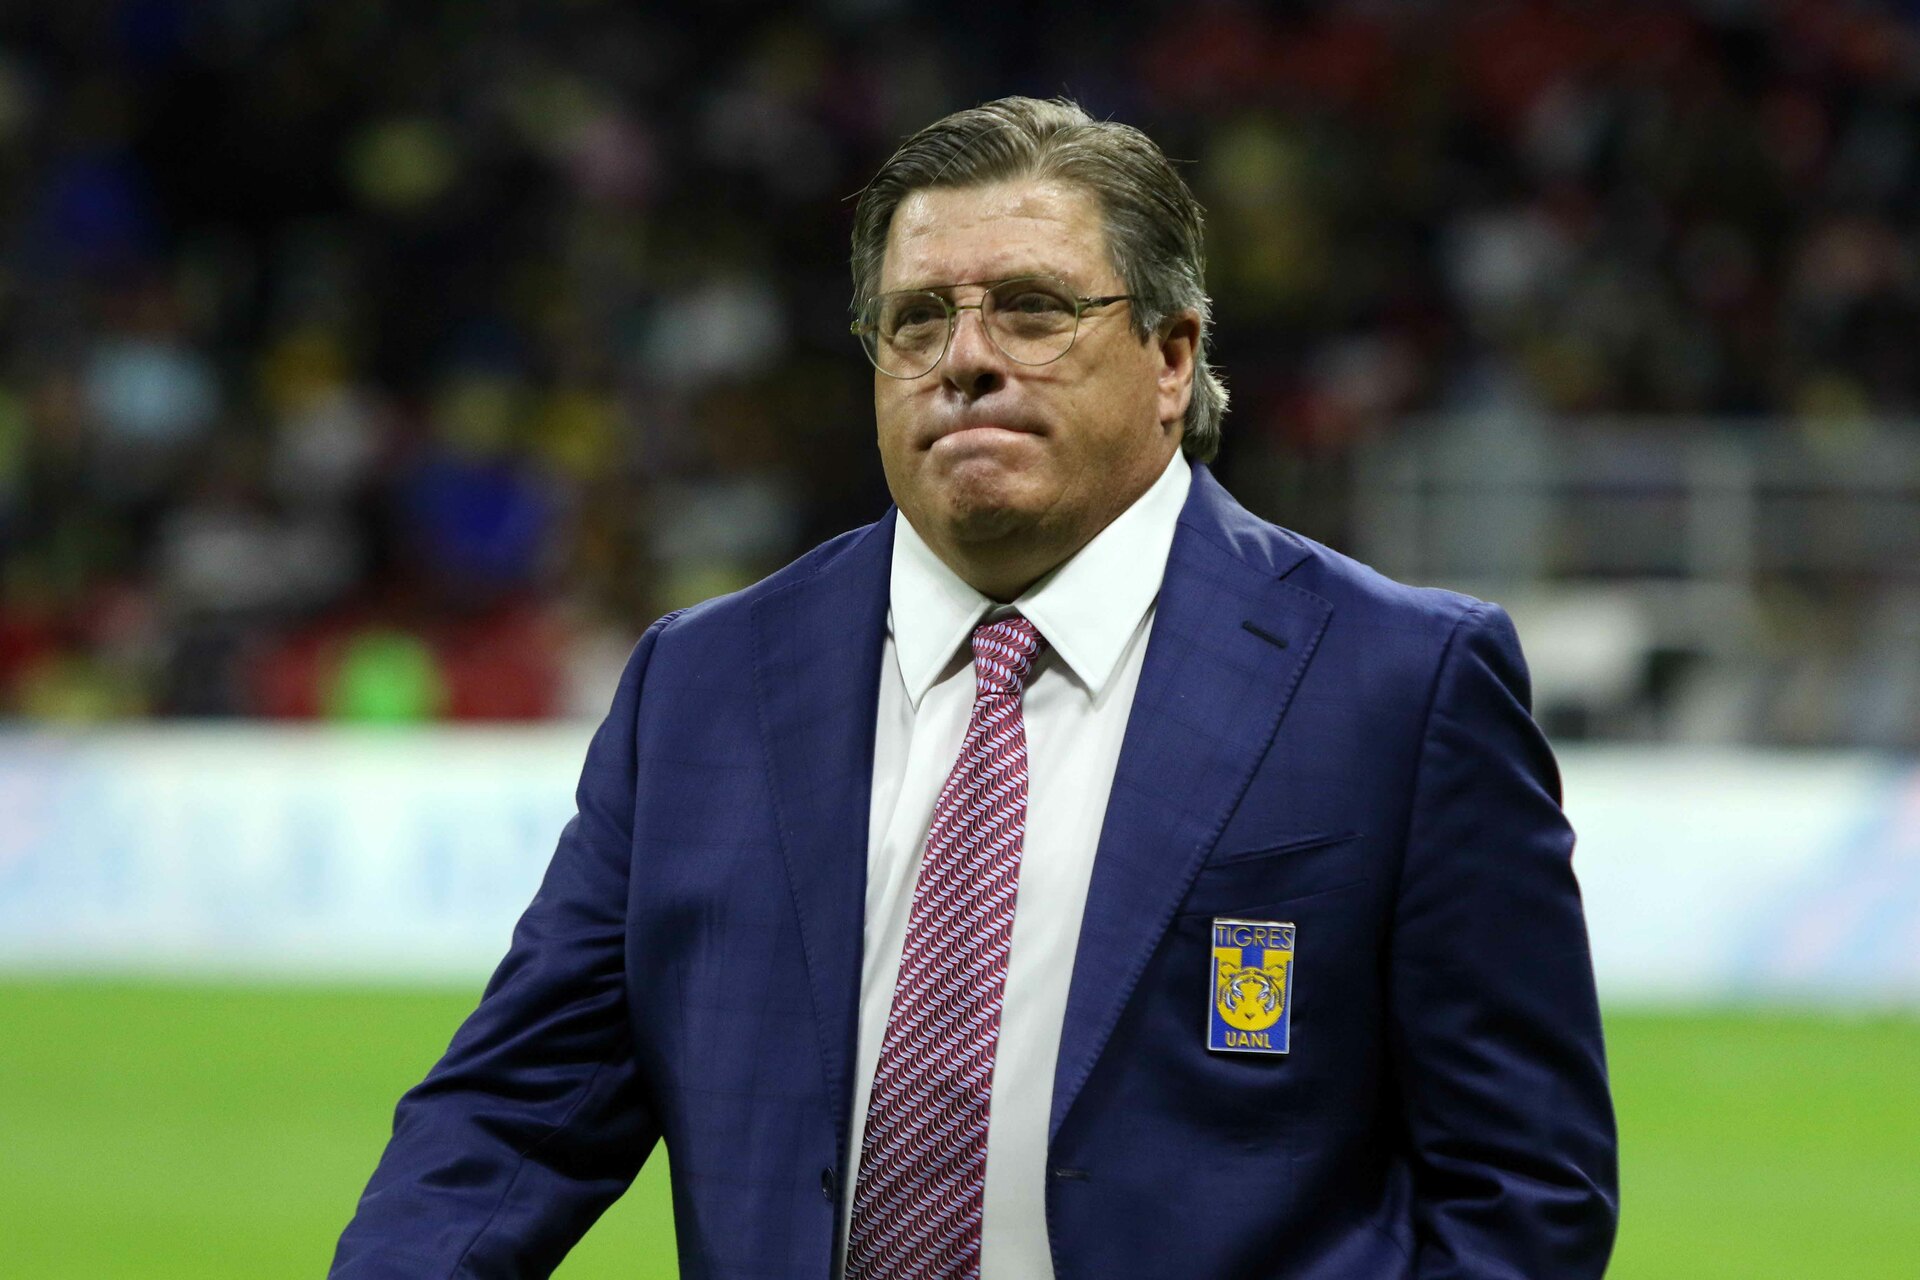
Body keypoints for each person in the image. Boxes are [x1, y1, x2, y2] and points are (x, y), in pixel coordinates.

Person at [332, 97, 1617, 1280]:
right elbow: (513, 1115)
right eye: (917, 319)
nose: (965, 358)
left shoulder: (1398, 684)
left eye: (1034, 309)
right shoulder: (704, 684)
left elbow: (1523, 1189)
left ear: (1173, 355)